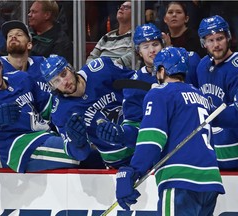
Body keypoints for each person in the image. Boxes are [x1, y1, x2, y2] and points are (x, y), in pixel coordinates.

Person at [115, 46, 225, 215]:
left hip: (180, 179)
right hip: (210, 182)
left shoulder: (160, 93)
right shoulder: (200, 96)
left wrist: (134, 170)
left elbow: (152, 138)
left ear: (161, 70)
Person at [0, 46, 79, 173]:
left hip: (42, 136)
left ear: (1, 66)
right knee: (75, 153)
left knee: (83, 147)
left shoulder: (21, 78)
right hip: (12, 150)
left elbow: (47, 109)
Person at [96, 23, 200, 149]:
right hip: (162, 150)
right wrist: (122, 134)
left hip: (193, 140)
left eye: (155, 44)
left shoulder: (188, 64)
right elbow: (135, 127)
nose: (152, 50)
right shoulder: (133, 85)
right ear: (138, 51)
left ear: (163, 44)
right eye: (145, 46)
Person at [40, 55, 135, 169]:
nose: (64, 82)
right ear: (52, 87)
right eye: (56, 81)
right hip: (118, 162)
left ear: (70, 68)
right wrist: (77, 143)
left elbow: (138, 86)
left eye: (64, 74)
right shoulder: (60, 112)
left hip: (141, 140)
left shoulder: (102, 69)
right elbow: (80, 155)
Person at [197, 15, 238, 170]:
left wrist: (211, 114)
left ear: (228, 38)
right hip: (213, 153)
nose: (216, 45)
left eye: (219, 38)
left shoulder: (236, 67)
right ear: (204, 43)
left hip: (235, 153)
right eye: (210, 40)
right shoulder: (202, 66)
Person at [86, 1, 133, 69]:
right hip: (99, 71)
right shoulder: (107, 36)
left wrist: (107, 68)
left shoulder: (135, 36)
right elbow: (92, 57)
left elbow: (131, 57)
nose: (121, 8)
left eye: (126, 7)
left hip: (118, 73)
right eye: (120, 6)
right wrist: (91, 69)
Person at [28, 0, 73, 65]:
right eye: (30, 11)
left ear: (47, 15)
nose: (29, 15)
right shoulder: (26, 35)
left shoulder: (61, 42)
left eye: (34, 12)